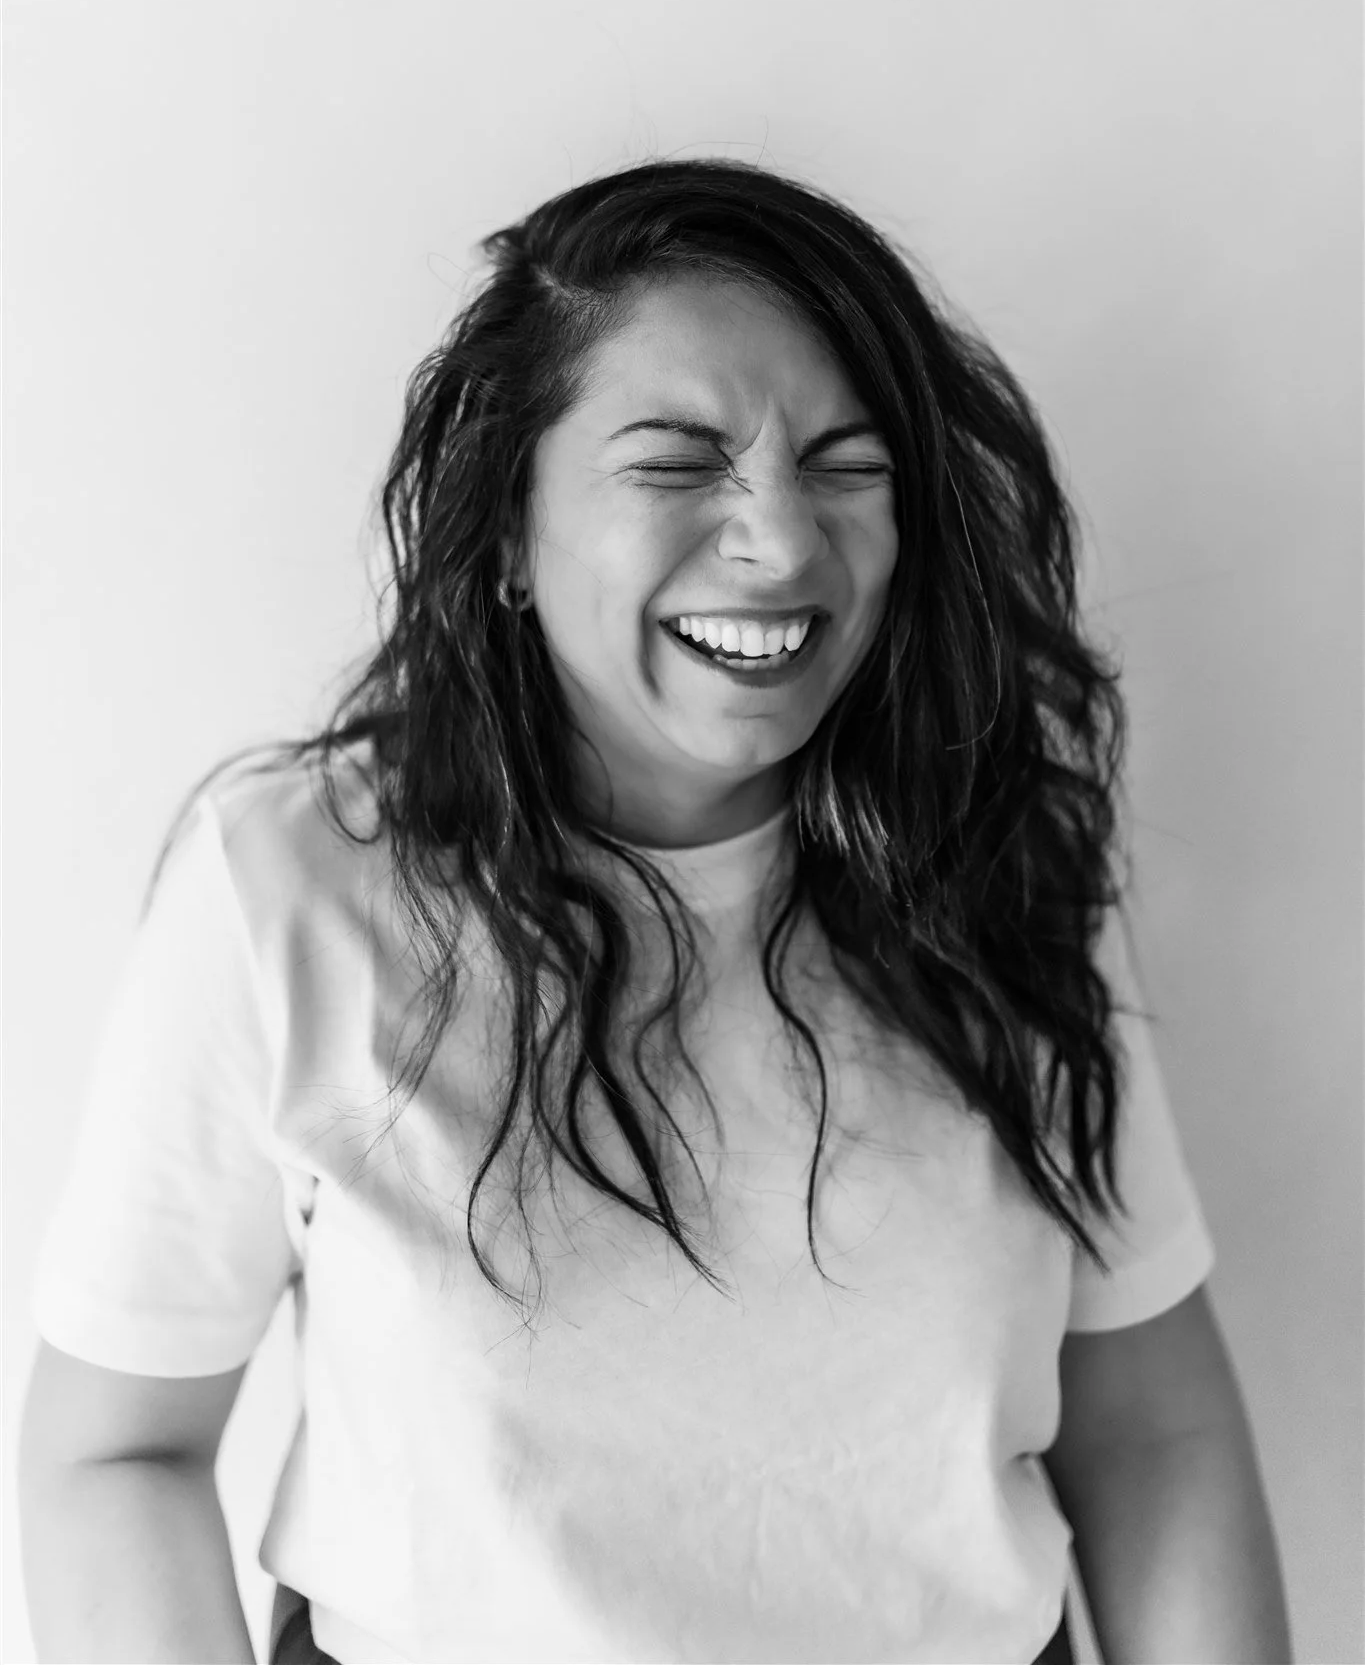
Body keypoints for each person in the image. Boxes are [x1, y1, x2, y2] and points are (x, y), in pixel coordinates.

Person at [19, 157, 1292, 1665]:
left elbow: (1154, 1437)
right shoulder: (290, 887)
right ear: (504, 532)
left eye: (847, 460)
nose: (783, 540)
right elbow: (114, 1451)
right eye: (679, 461)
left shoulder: (1003, 870)